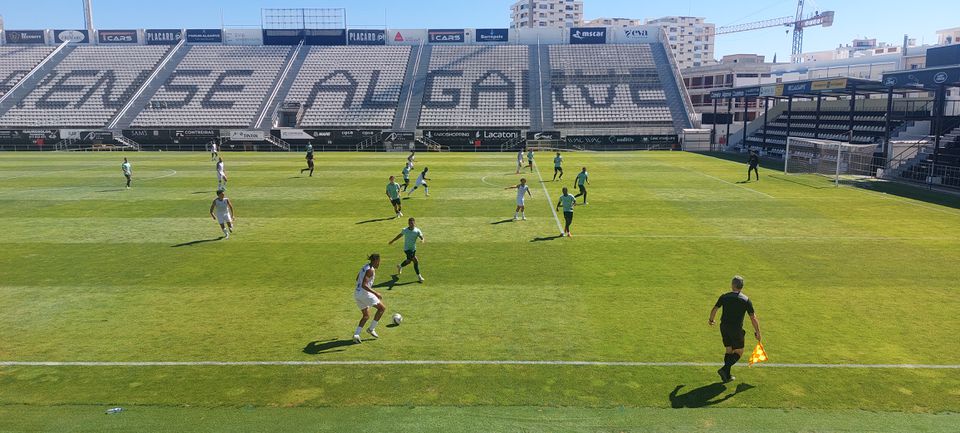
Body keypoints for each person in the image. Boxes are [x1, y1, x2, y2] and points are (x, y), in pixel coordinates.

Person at [708, 276, 762, 383]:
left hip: (724, 327)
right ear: (741, 287)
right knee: (739, 352)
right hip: (736, 329)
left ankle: (726, 375)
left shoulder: (724, 297)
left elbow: (715, 309)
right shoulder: (746, 300)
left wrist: (711, 320)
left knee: (729, 350)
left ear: (732, 285)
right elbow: (753, 317)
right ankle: (724, 369)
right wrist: (758, 332)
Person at [353, 253, 386, 344]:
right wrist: (376, 293)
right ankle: (371, 329)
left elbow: (357, 279)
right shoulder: (370, 270)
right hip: (364, 294)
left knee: (366, 315)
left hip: (357, 294)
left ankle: (356, 334)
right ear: (375, 261)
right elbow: (364, 285)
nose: (379, 263)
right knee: (382, 308)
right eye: (379, 262)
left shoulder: (365, 266)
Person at [389, 218, 425, 283]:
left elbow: (421, 236)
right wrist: (393, 240)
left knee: (408, 261)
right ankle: (419, 276)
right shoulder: (405, 230)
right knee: (415, 260)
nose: (410, 224)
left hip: (413, 249)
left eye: (412, 223)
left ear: (414, 223)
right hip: (407, 249)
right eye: (409, 223)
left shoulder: (417, 230)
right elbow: (399, 235)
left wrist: (422, 240)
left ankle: (400, 266)